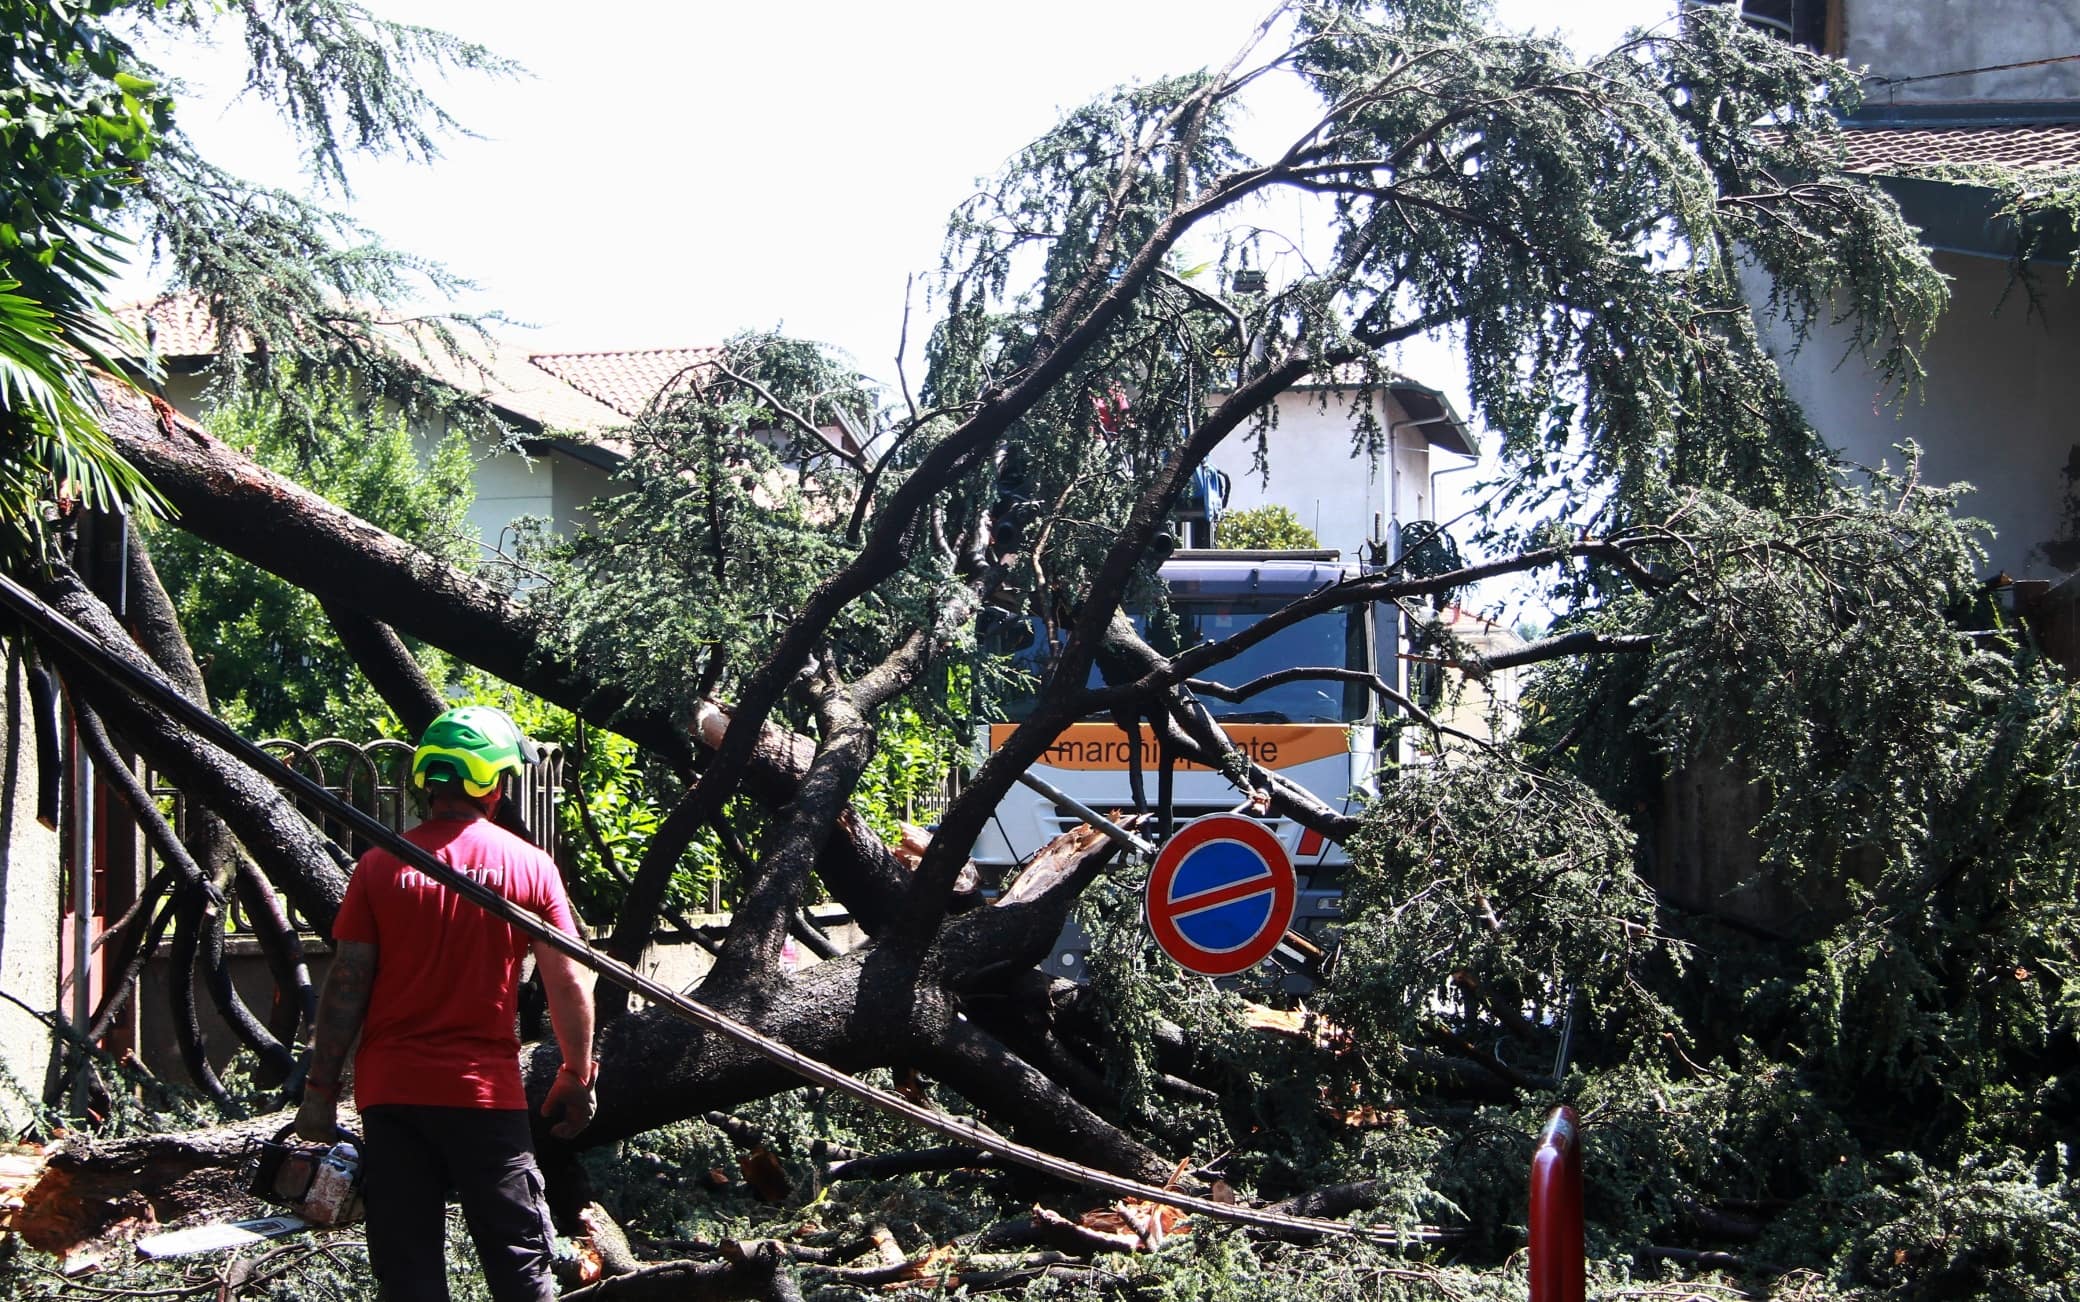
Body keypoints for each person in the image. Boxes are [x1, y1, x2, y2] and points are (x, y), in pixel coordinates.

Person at [297, 705, 598, 1302]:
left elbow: (346, 985)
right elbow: (569, 980)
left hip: (392, 1097)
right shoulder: (529, 865)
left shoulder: (379, 864)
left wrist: (319, 1092)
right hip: (483, 1097)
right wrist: (576, 1073)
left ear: (427, 780)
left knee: (408, 1278)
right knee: (520, 1270)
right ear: (492, 782)